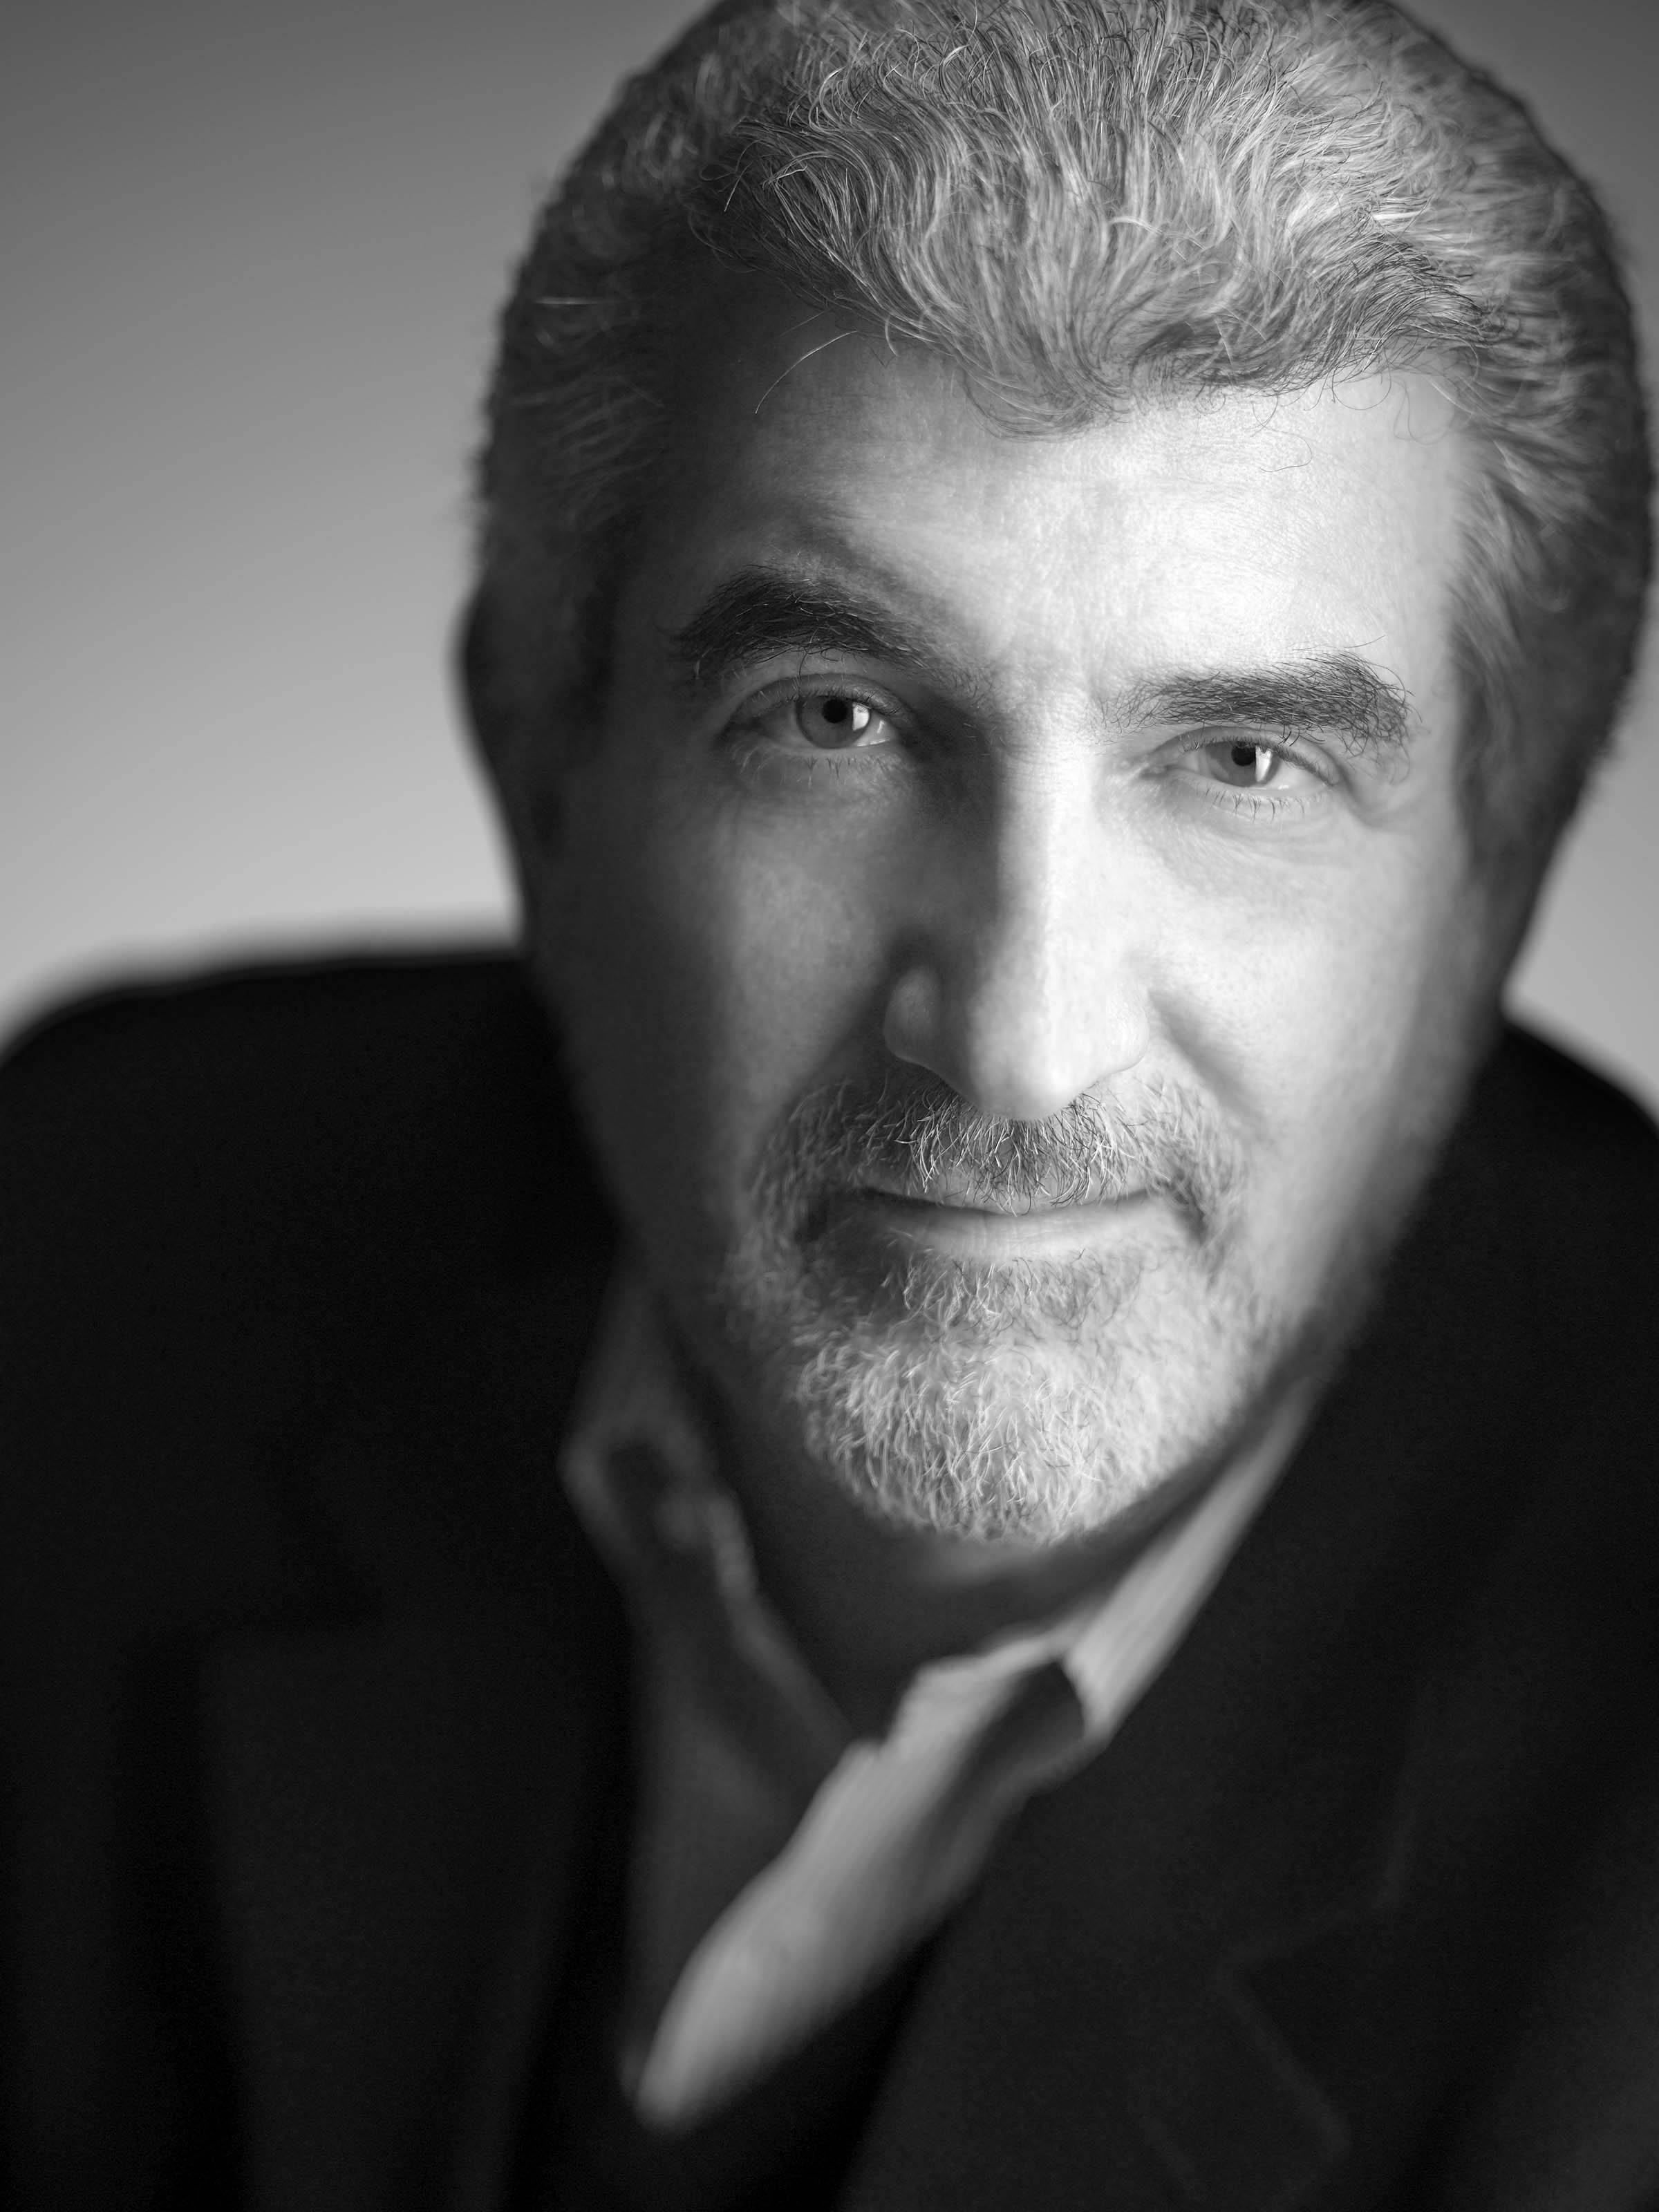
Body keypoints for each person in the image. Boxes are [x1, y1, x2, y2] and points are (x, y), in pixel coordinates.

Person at [4, 0, 1657, 2204]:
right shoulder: (91, 1246)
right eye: (837, 718)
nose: (1018, 1044)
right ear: (541, 774)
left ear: (1496, 880)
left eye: (1243, 763)